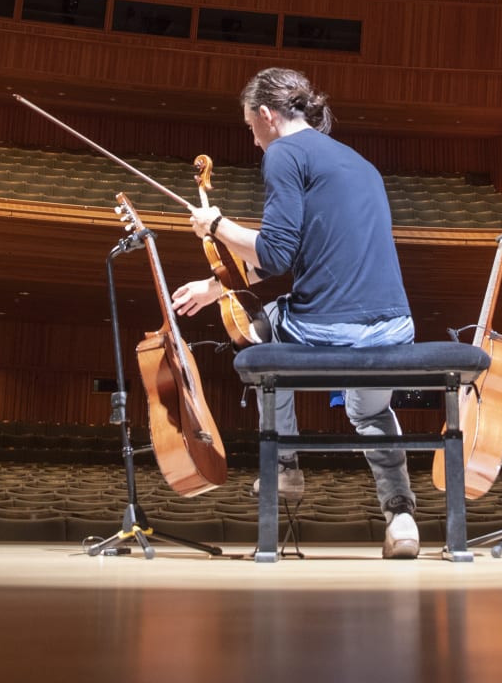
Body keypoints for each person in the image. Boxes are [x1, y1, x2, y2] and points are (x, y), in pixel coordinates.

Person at [168, 67, 421, 559]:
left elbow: (275, 254)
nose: (254, 141)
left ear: (266, 115)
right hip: (394, 327)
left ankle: (284, 465)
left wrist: (216, 224)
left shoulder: (284, 153)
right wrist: (215, 286)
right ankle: (401, 517)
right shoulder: (358, 163)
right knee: (370, 412)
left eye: (251, 128)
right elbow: (301, 251)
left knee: (256, 332)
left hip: (327, 327)